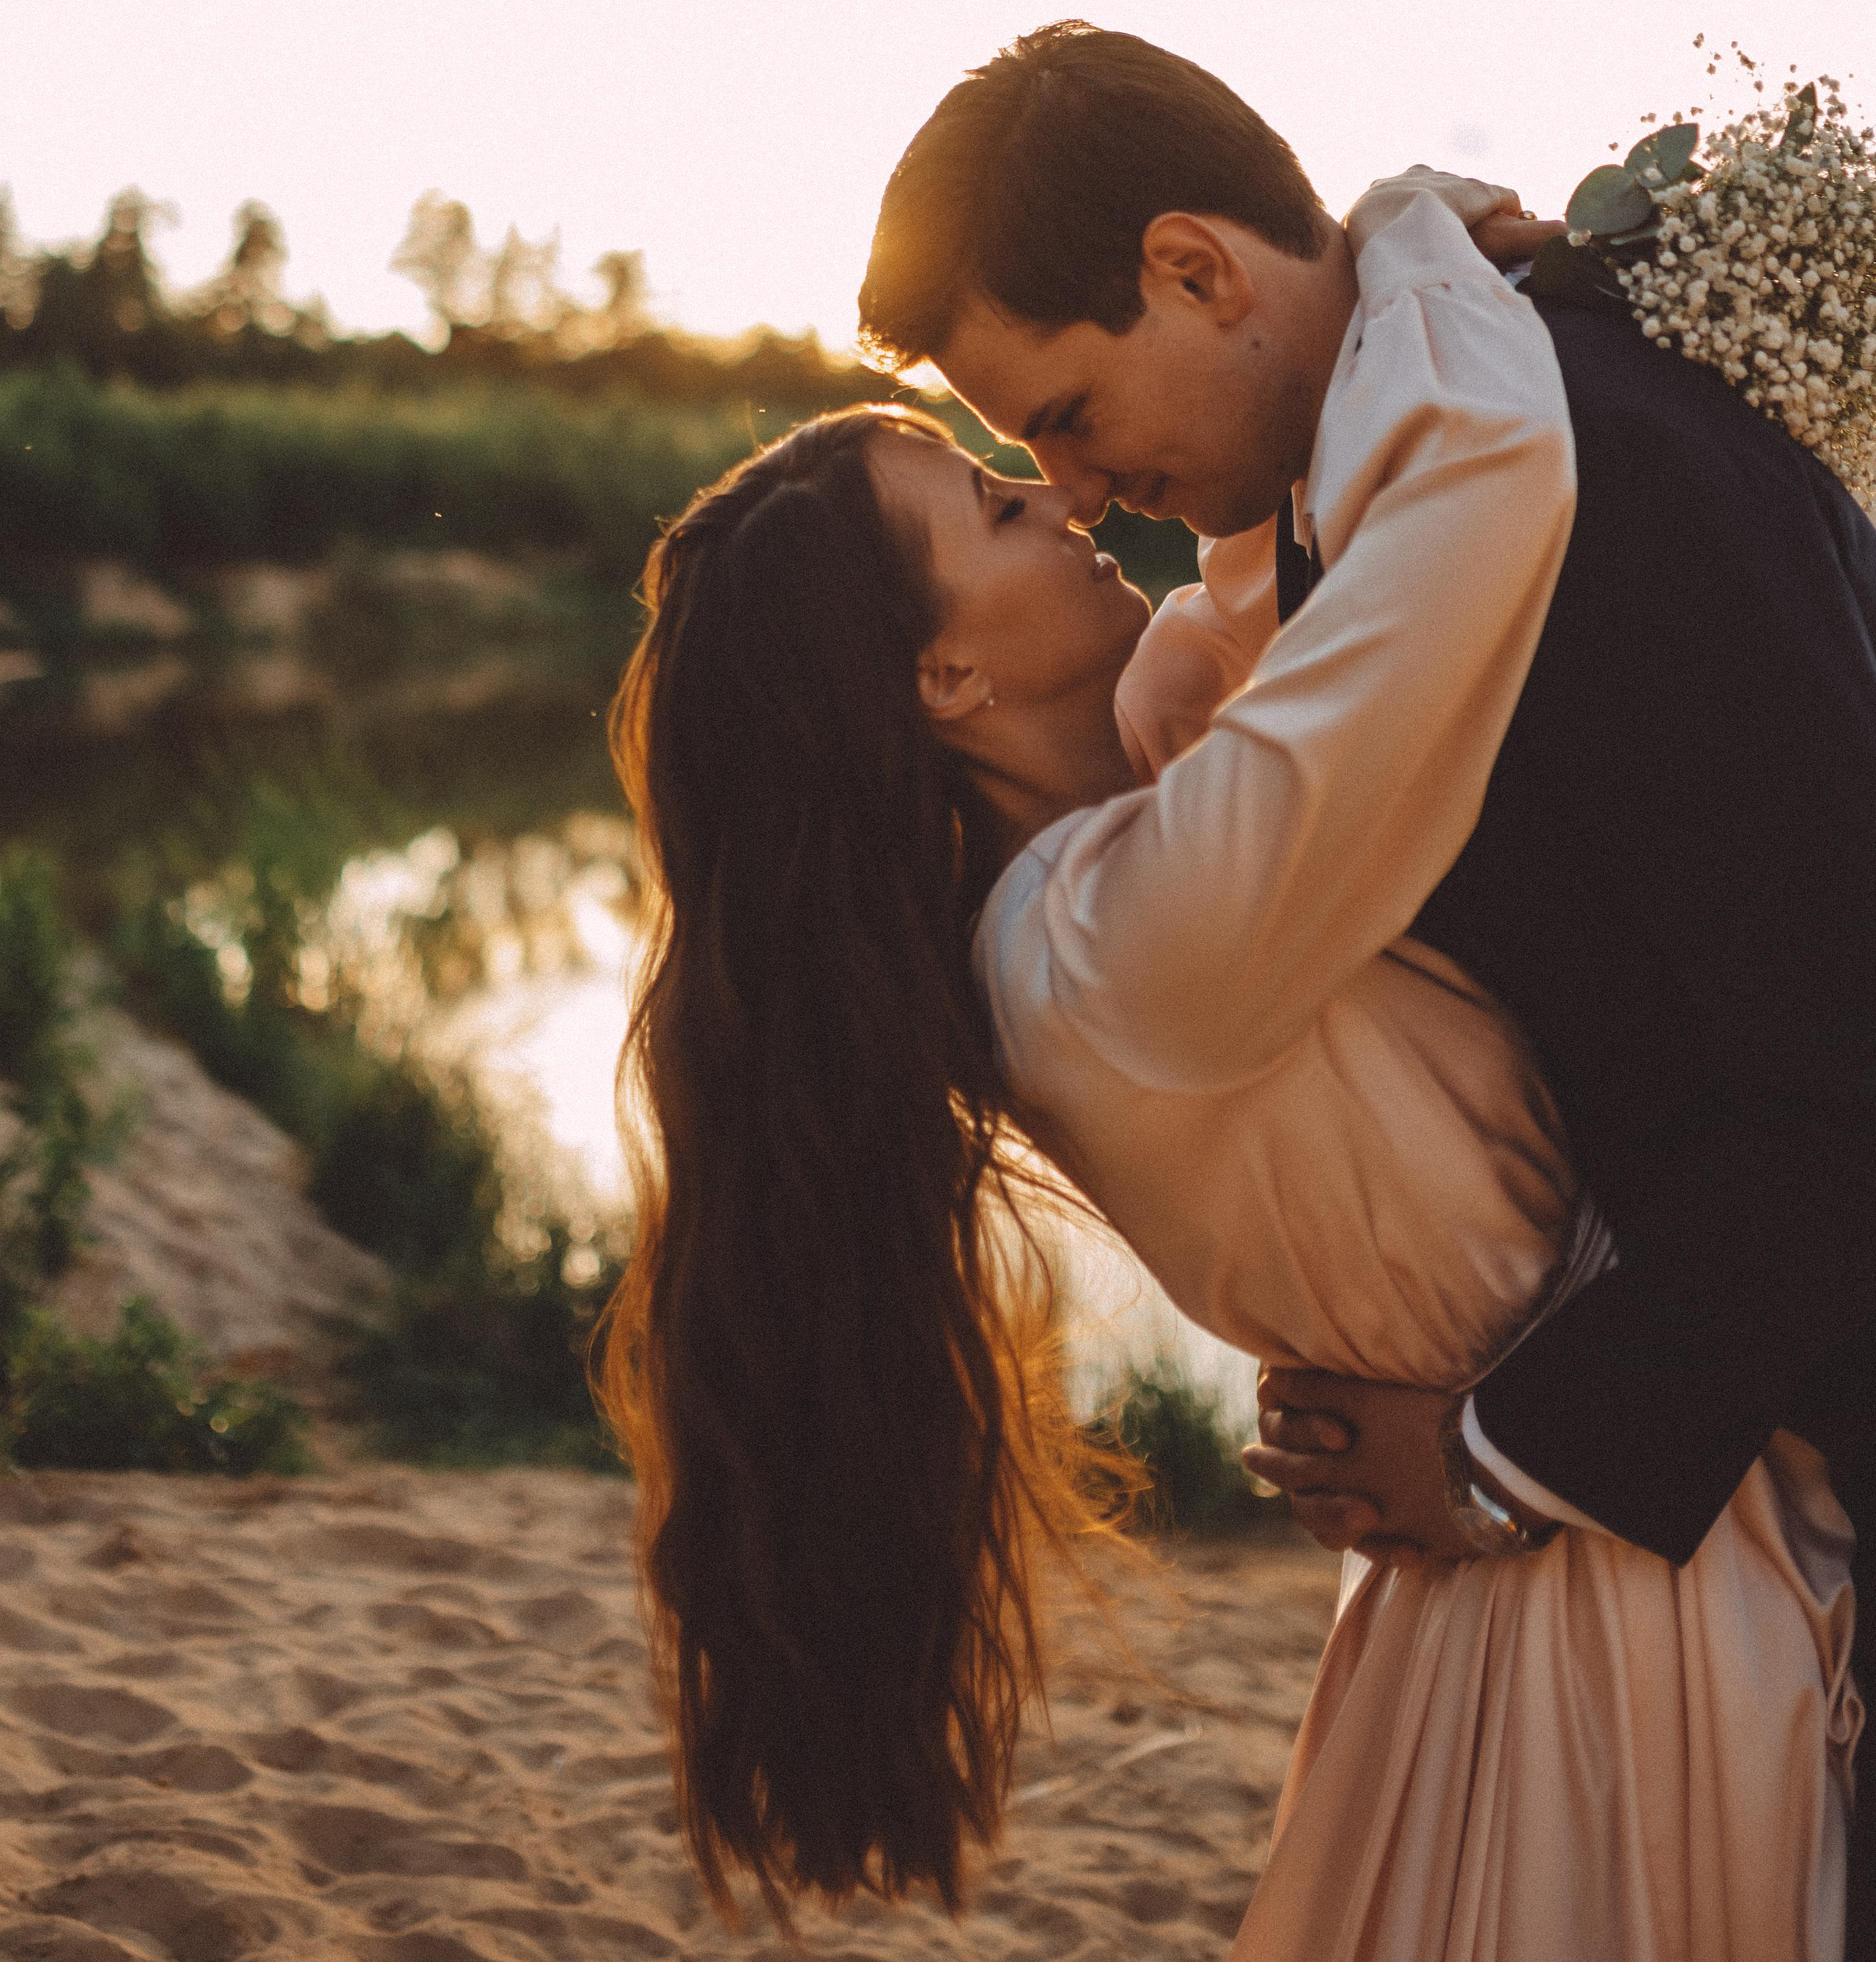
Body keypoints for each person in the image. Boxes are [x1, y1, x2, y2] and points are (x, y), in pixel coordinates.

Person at [601, 175, 1854, 1955]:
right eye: (991, 494)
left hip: (1544, 1534)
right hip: (1590, 1578)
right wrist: (1401, 241)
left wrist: (1299, 351)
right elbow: (1465, 539)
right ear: (942, 673)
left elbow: (1278, 595)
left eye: (1039, 442)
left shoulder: (1124, 837)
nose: (1058, 494)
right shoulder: (1110, 951)